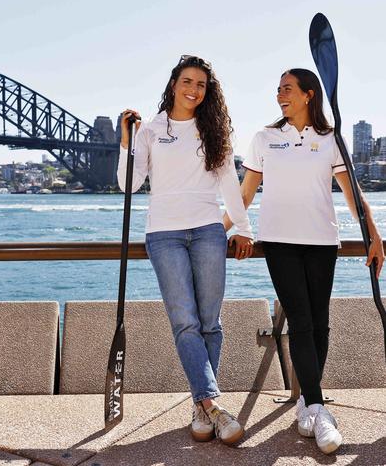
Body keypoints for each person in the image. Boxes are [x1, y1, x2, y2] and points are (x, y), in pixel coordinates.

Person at [225, 68, 384, 454]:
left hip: (321, 241)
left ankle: (306, 402)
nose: (280, 94)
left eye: (288, 89)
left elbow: (351, 194)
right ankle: (316, 406)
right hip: (279, 242)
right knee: (299, 319)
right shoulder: (265, 138)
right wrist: (216, 228)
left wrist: (373, 235)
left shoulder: (331, 140)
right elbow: (244, 195)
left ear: (309, 95)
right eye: (278, 89)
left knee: (320, 321)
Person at [119, 55, 254, 446]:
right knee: (185, 322)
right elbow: (129, 184)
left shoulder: (213, 129)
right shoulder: (150, 129)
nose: (194, 90)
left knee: (210, 323)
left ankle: (200, 407)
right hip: (164, 235)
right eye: (187, 82)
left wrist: (242, 229)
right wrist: (127, 143)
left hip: (209, 231)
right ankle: (214, 406)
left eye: (201, 85)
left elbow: (230, 182)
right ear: (174, 83)